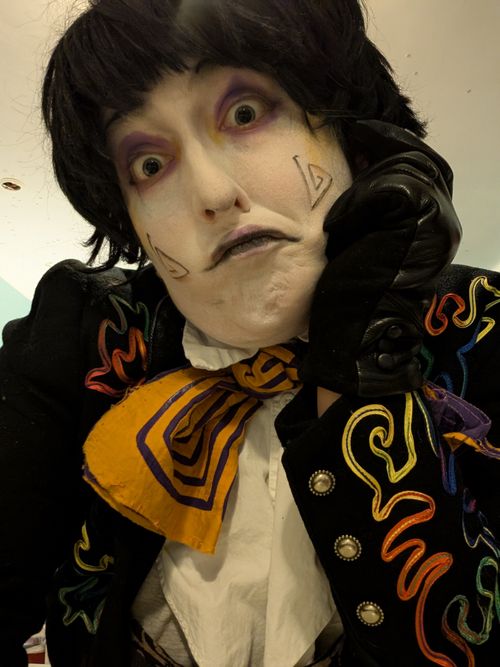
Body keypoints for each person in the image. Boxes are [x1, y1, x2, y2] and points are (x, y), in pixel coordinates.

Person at [0, 0, 499, 665]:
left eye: (244, 114)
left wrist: (364, 359)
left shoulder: (484, 324)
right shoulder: (87, 331)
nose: (212, 193)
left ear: (353, 131)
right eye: (148, 164)